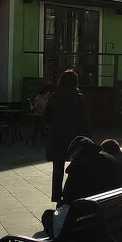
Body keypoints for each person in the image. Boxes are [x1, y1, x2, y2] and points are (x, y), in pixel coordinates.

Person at [44, 69, 90, 204]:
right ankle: (73, 194)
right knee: (76, 167)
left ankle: (57, 196)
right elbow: (84, 121)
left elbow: (46, 117)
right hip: (73, 138)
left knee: (57, 169)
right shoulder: (78, 98)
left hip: (57, 137)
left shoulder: (54, 97)